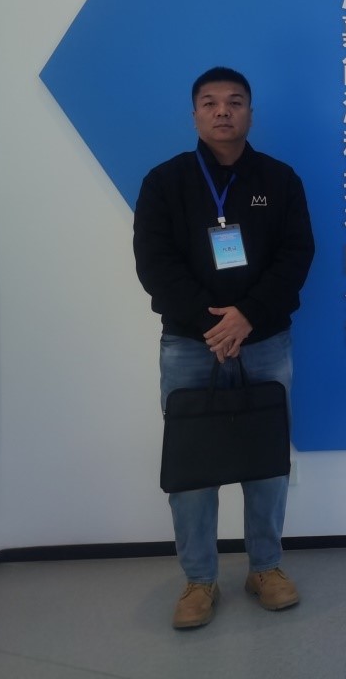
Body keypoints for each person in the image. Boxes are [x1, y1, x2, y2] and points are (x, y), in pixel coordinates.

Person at [133, 67, 315, 629]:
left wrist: (248, 315)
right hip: (191, 346)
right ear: (194, 114)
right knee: (193, 469)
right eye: (210, 102)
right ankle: (199, 580)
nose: (222, 111)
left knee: (266, 463)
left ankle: (265, 568)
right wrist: (213, 325)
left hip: (266, 342)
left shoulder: (280, 179)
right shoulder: (165, 182)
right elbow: (154, 265)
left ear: (250, 114)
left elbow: (297, 255)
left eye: (235, 102)